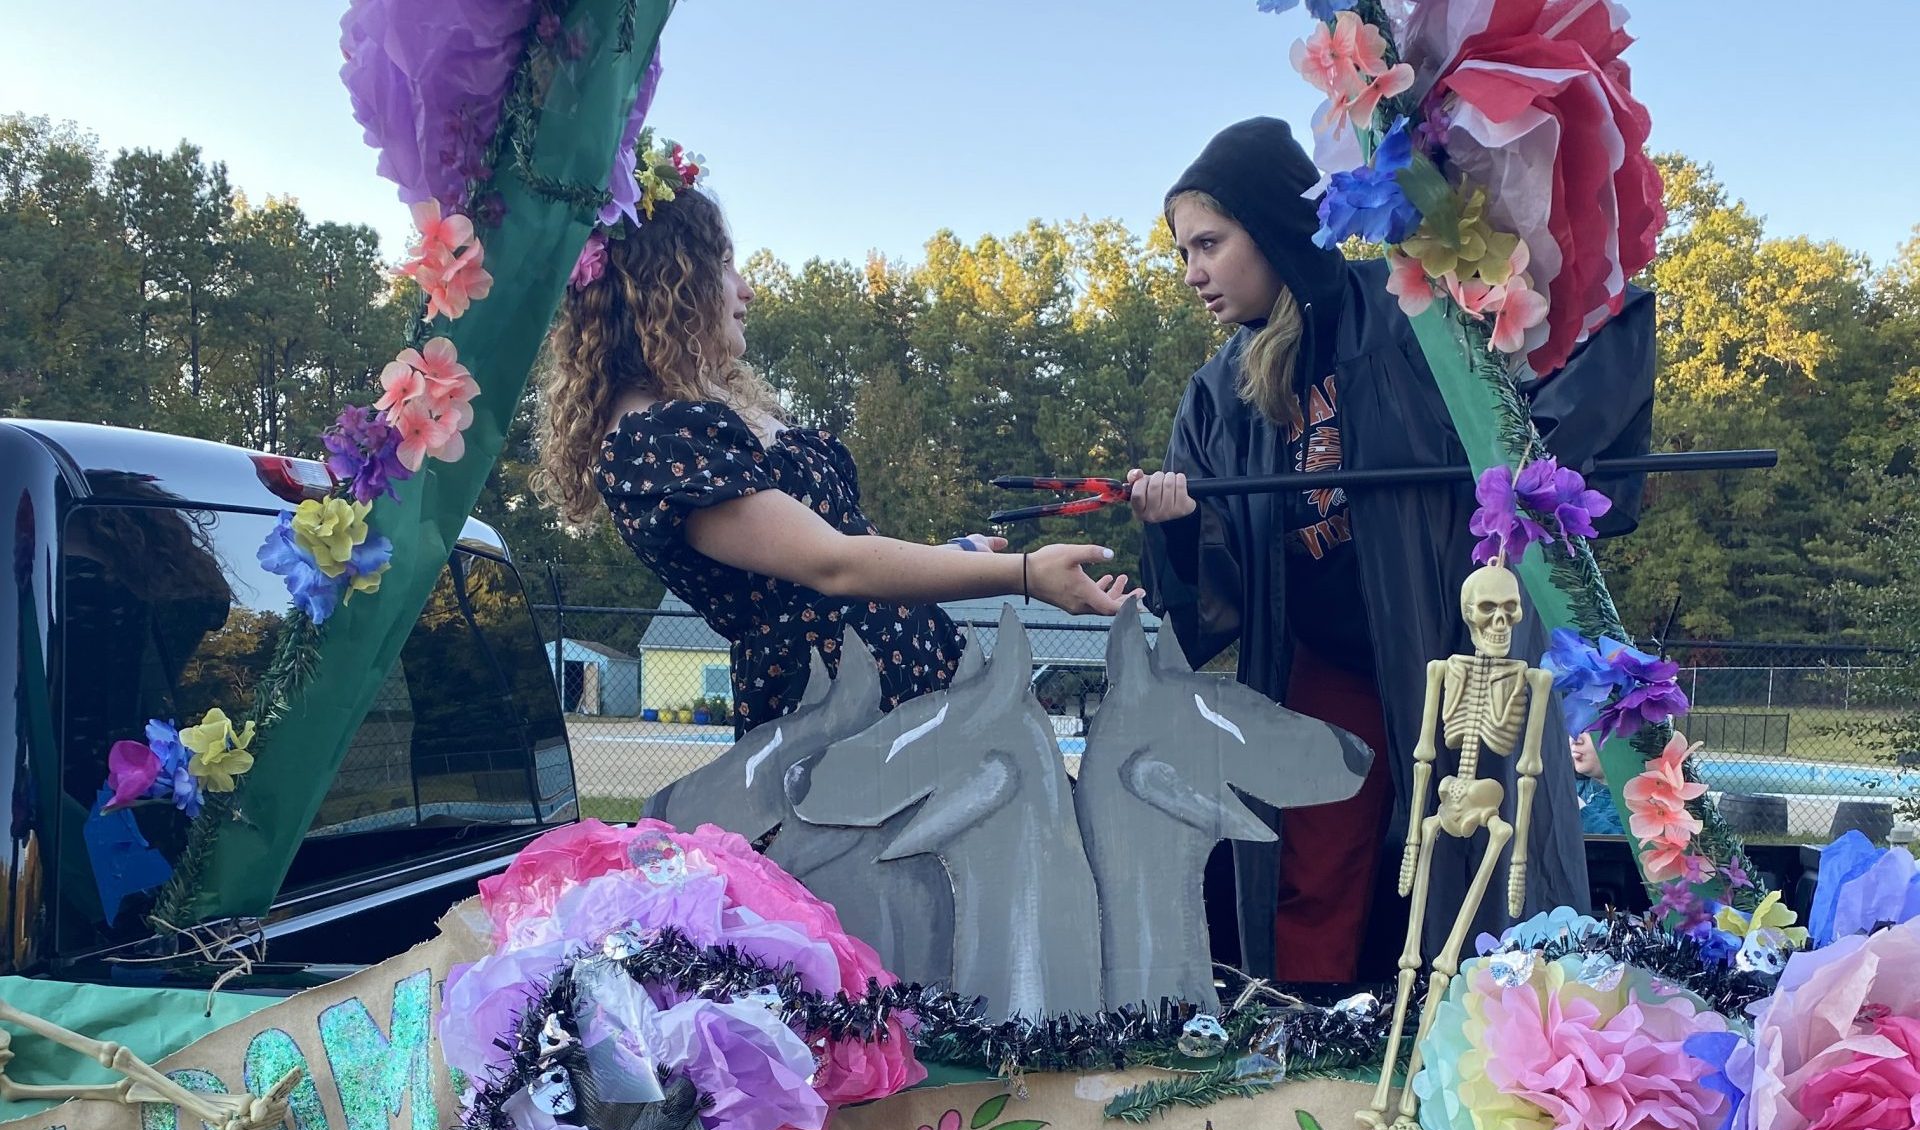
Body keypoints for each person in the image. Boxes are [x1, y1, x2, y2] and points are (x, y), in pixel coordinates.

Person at [1131, 118, 1656, 984]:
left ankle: (1502, 1046)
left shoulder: (1417, 312)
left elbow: (1602, 318)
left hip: (1451, 643)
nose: (1192, 272)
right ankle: (1302, 1047)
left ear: (1269, 224)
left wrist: (1522, 475)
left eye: (1209, 244)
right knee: (1310, 858)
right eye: (1185, 250)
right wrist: (1177, 525)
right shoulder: (1222, 391)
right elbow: (1207, 593)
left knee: (1490, 855)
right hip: (1325, 662)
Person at [533, 180, 1136, 735]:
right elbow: (833, 566)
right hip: (836, 737)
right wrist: (1027, 575)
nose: (745, 289)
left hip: (902, 701)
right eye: (724, 266)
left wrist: (953, 555)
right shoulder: (651, 444)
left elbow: (843, 548)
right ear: (669, 283)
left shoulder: (711, 410)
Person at [1570, 732, 1625, 836]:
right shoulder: (1572, 787)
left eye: (1590, 730)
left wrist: (1578, 810)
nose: (1576, 739)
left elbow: (1624, 849)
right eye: (1571, 728)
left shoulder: (1638, 802)